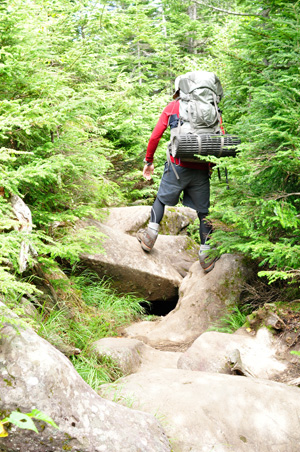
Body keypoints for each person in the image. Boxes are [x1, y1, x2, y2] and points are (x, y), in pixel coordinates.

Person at [138, 74, 221, 273]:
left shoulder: (173, 107)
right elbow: (219, 138)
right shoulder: (212, 109)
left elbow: (156, 135)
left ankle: (150, 237)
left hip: (177, 166)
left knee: (160, 199)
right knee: (203, 212)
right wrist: (211, 165)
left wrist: (149, 161)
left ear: (179, 90)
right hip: (201, 168)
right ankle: (206, 255)